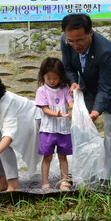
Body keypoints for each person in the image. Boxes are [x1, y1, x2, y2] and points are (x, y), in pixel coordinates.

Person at [60, 13, 111, 189]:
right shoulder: (65, 40)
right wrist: (73, 81)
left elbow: (106, 87)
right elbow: (68, 67)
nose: (76, 45)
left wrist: (96, 111)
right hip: (89, 86)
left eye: (80, 41)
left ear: (90, 32)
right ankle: (88, 172)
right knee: (82, 126)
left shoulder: (105, 51)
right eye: (72, 41)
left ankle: (108, 179)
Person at [35, 57, 74, 191]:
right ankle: (45, 182)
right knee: (47, 156)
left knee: (63, 156)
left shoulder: (65, 89)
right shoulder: (42, 91)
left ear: (61, 77)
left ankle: (64, 181)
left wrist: (77, 107)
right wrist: (57, 114)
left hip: (63, 130)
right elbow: (44, 109)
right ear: (43, 76)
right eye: (48, 78)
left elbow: (71, 103)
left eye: (55, 78)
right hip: (47, 130)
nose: (52, 81)